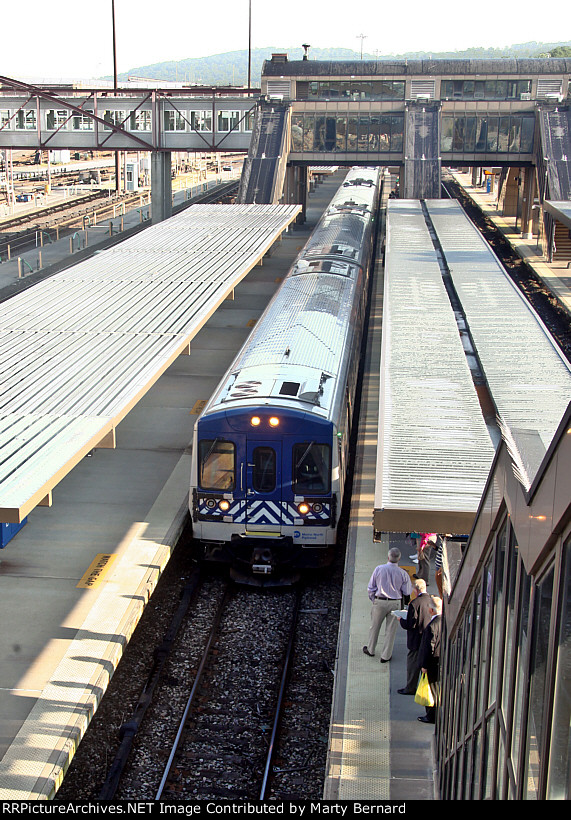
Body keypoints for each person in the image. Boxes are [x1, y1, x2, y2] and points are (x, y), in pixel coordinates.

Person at [363, 547, 412, 663]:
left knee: (374, 627)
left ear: (388, 557)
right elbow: (407, 592)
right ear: (399, 558)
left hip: (379, 601)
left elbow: (371, 587)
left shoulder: (379, 569)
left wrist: (374, 599)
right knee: (391, 630)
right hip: (395, 603)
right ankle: (385, 655)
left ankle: (370, 649)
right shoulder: (403, 574)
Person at [396, 578, 433, 694]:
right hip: (427, 637)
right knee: (426, 663)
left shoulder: (414, 604)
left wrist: (401, 620)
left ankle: (411, 687)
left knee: (413, 663)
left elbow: (411, 624)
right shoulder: (432, 600)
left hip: (415, 639)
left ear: (416, 590)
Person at [416, 595, 443, 724]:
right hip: (440, 663)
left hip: (431, 664)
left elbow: (429, 648)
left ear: (431, 610)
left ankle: (431, 715)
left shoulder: (432, 626)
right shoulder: (445, 622)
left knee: (431, 691)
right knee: (437, 689)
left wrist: (424, 665)